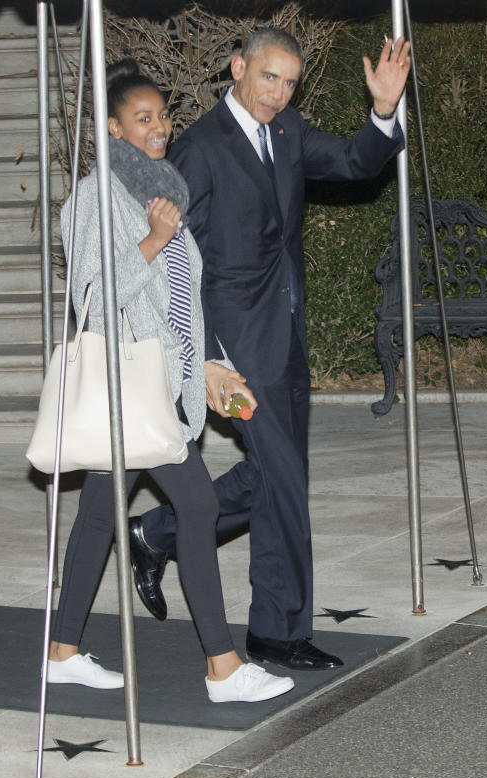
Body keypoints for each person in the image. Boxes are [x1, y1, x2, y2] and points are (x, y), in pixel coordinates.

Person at [128, 29, 412, 671]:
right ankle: (277, 630)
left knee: (277, 477)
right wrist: (205, 356)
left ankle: (159, 533)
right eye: (267, 78)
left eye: (289, 83)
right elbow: (177, 260)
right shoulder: (199, 150)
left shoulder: (286, 133)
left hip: (287, 332)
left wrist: (384, 112)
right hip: (233, 346)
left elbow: (350, 162)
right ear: (238, 68)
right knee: (283, 479)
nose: (278, 94)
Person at [46, 58, 294, 704]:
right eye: (144, 119)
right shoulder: (92, 201)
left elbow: (181, 296)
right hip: (133, 390)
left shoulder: (161, 191)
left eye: (163, 116)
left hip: (169, 381)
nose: (160, 128)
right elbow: (94, 299)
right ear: (113, 127)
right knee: (201, 504)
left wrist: (206, 363)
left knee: (100, 512)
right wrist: (155, 240)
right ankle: (222, 666)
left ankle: (62, 650)